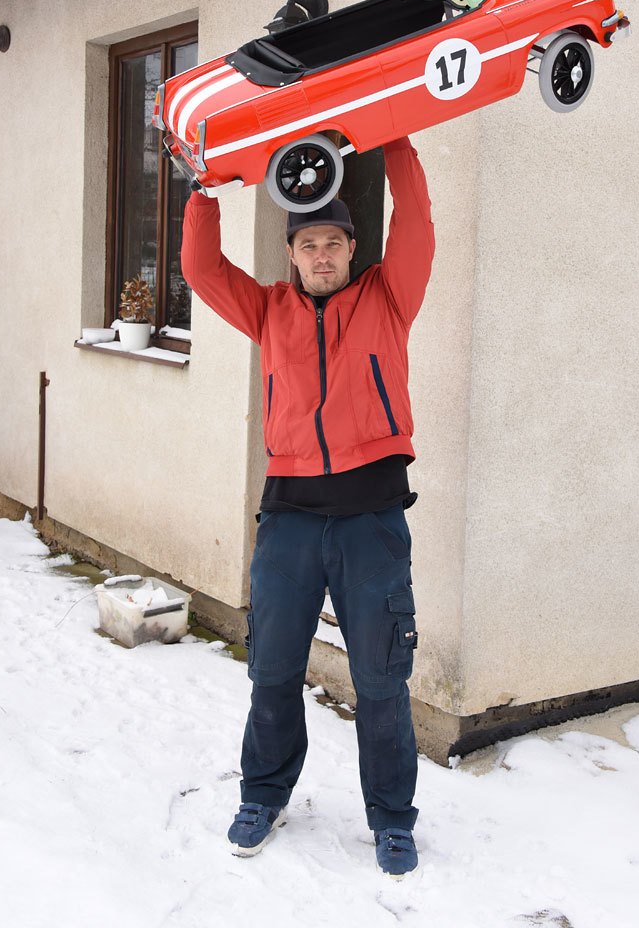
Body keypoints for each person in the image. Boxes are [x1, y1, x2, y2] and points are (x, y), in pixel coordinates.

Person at [180, 136, 435, 877]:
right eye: (308, 243)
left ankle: (391, 818)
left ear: (354, 248)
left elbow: (416, 219)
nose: (322, 254)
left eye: (334, 241)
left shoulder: (390, 297)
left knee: (383, 680)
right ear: (291, 253)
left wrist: (395, 136)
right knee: (272, 668)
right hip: (290, 518)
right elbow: (201, 268)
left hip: (371, 522)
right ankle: (263, 793)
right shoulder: (268, 312)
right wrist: (202, 191)